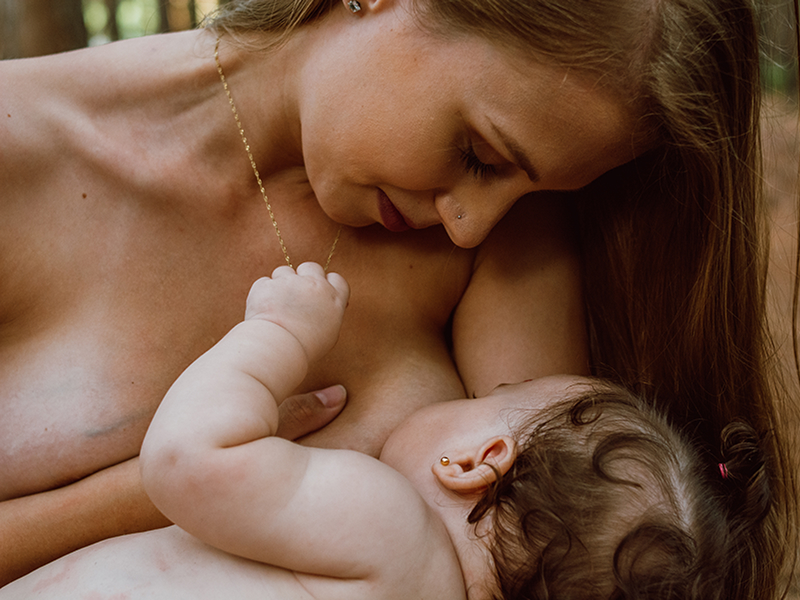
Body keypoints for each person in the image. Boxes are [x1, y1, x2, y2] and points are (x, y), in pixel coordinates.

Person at [0, 0, 795, 590]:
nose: (468, 226)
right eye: (479, 155)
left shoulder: (509, 244)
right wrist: (140, 496)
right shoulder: (21, 155)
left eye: (530, 189)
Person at [0, 263, 775, 600]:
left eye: (500, 392)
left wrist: (276, 337)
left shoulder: (390, 529)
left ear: (477, 460)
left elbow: (185, 461)